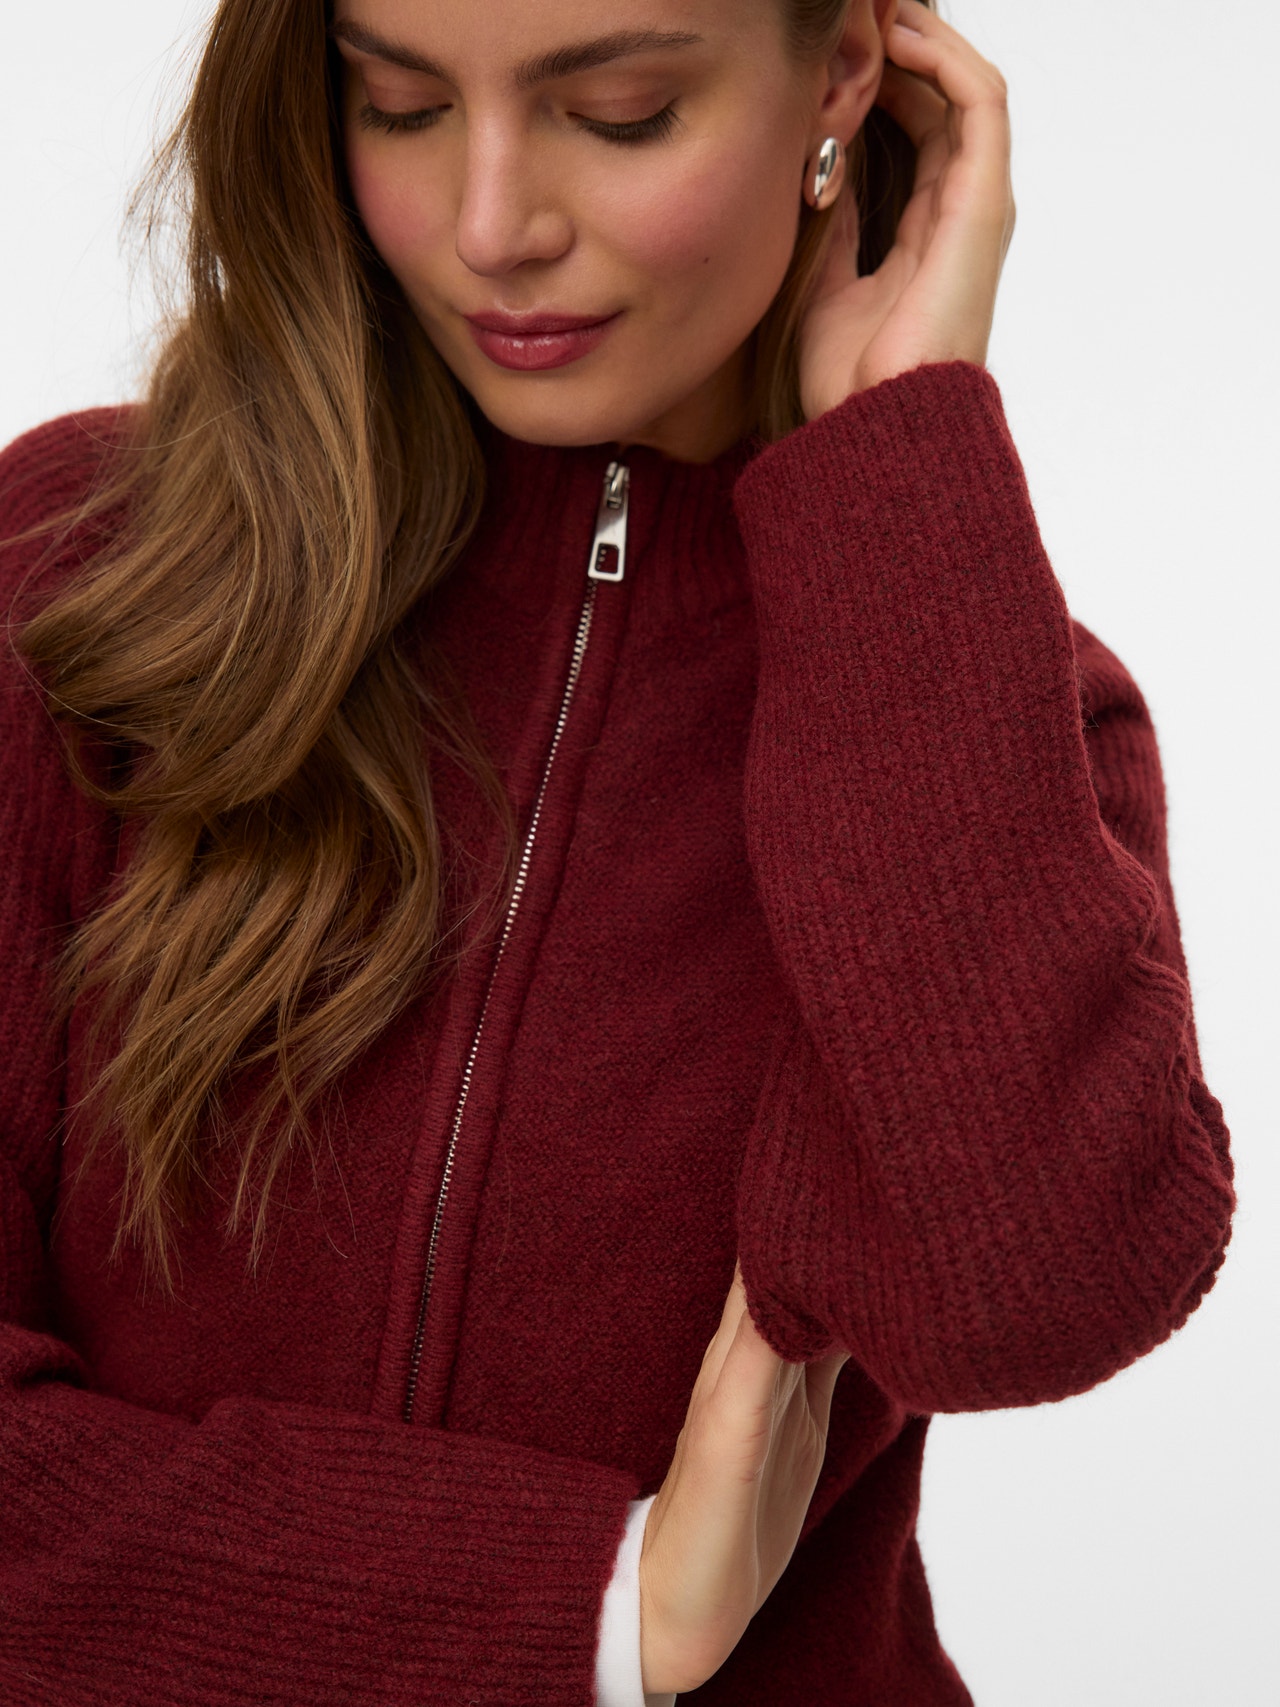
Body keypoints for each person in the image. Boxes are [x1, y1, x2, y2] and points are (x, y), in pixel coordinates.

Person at [0, 0, 1235, 1701]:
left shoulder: (980, 706)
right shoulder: (89, 586)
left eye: (623, 112)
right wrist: (594, 1611)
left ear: (842, 73)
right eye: (403, 105)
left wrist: (900, 462)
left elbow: (1040, 1291)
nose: (490, 225)